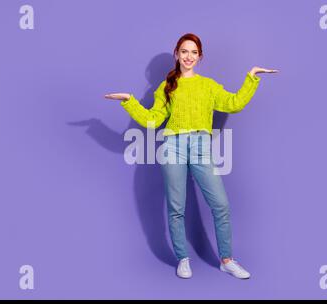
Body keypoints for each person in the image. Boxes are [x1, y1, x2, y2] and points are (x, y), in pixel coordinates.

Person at [105, 33, 278, 279]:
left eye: (193, 52)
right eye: (184, 51)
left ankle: (226, 260)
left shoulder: (208, 85)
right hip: (172, 146)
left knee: (220, 205)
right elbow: (152, 120)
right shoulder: (167, 86)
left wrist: (251, 78)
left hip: (200, 146)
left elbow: (234, 103)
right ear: (177, 54)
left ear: (200, 57)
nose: (188, 56)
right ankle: (183, 258)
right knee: (176, 207)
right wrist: (129, 101)